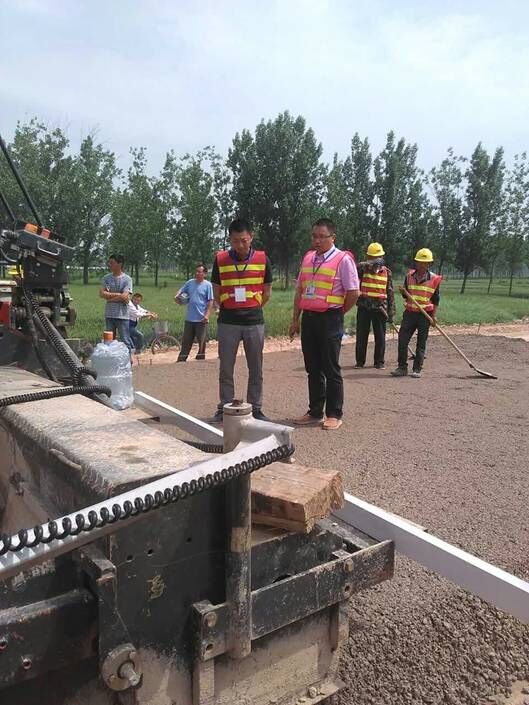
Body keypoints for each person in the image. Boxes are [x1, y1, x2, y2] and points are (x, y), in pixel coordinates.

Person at [289, 218, 360, 430]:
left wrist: (338, 311)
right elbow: (300, 291)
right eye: (314, 236)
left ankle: (334, 414)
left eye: (322, 236)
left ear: (333, 237)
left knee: (330, 368)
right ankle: (315, 411)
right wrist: (295, 319)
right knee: (313, 368)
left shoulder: (343, 260)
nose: (317, 240)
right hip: (309, 318)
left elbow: (353, 292)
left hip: (330, 318)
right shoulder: (308, 258)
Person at [210, 218, 272, 422]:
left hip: (254, 321)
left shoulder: (263, 259)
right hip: (228, 321)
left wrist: (252, 306)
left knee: (256, 368)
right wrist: (226, 306)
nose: (240, 245)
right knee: (226, 368)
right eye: (235, 241)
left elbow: (267, 292)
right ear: (230, 239)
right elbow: (216, 291)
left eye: (244, 240)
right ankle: (225, 407)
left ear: (251, 237)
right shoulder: (220, 259)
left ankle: (256, 408)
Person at [391, 248, 442, 378]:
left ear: (429, 264)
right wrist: (403, 292)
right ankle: (402, 367)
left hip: (425, 314)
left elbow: (436, 300)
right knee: (402, 340)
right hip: (410, 313)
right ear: (416, 262)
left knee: (421, 342)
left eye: (425, 263)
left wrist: (433, 317)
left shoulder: (434, 279)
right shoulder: (409, 276)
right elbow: (405, 295)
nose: (422, 265)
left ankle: (417, 369)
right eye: (420, 262)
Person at [354, 242, 395, 369]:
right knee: (362, 336)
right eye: (373, 257)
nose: (377, 259)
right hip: (364, 307)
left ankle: (379, 362)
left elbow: (390, 292)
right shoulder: (363, 269)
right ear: (368, 257)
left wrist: (391, 312)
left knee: (380, 337)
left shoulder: (387, 272)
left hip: (380, 308)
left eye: (378, 257)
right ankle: (360, 362)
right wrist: (371, 263)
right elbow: (355, 267)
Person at [175, 263, 214, 362]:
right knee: (186, 341)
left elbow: (210, 301)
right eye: (196, 271)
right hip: (190, 319)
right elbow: (181, 290)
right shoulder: (190, 283)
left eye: (199, 272)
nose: (197, 273)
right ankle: (181, 360)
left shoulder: (208, 285)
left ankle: (200, 360)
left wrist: (207, 315)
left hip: (201, 319)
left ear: (204, 274)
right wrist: (177, 296)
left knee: (202, 343)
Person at [99, 254, 134, 354]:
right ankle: (110, 360)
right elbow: (102, 294)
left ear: (120, 264)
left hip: (122, 315)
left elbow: (125, 297)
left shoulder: (127, 279)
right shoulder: (106, 278)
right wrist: (118, 294)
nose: (109, 265)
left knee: (125, 340)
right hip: (109, 315)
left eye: (112, 263)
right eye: (109, 263)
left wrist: (110, 298)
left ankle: (128, 360)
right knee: (108, 341)